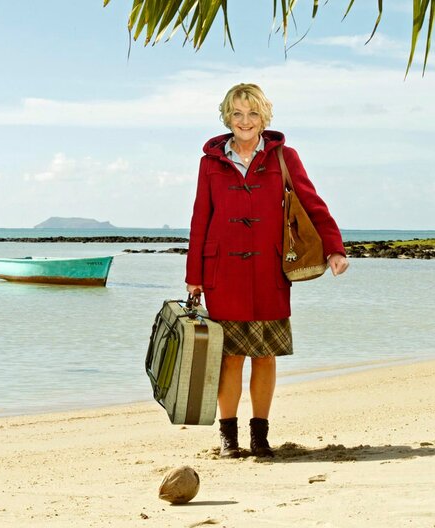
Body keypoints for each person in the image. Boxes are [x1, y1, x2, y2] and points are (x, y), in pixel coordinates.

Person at [185, 83, 349, 458]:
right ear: (227, 117)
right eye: (237, 114)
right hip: (222, 273)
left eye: (253, 113)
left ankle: (259, 437)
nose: (245, 121)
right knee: (230, 357)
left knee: (265, 355)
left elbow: (312, 203)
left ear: (264, 117)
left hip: (270, 272)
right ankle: (228, 438)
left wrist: (334, 248)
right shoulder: (210, 163)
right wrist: (194, 275)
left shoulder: (284, 157)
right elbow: (200, 218)